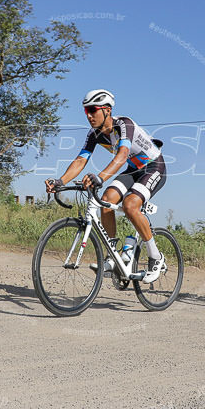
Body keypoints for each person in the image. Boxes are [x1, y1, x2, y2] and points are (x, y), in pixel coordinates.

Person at [44, 89, 167, 283]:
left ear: (107, 110)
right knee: (107, 200)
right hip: (133, 169)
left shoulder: (123, 124)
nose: (89, 115)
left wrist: (100, 177)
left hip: (153, 167)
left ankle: (156, 258)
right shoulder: (94, 134)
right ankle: (113, 256)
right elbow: (80, 161)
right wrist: (60, 181)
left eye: (93, 110)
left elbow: (122, 155)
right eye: (86, 111)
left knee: (130, 205)